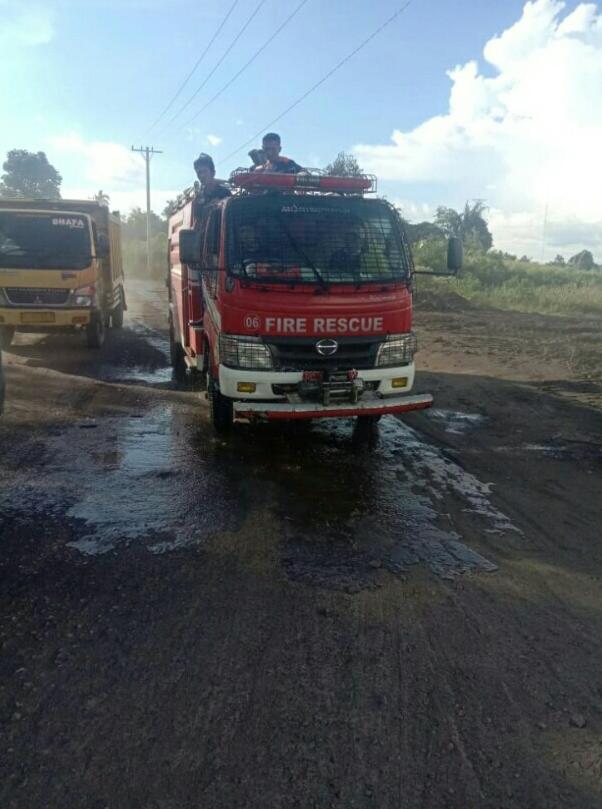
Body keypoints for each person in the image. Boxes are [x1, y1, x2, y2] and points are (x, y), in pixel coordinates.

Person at [192, 153, 231, 221]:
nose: (202, 175)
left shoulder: (225, 193)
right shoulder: (198, 200)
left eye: (205, 171)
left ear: (213, 173)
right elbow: (198, 224)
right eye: (199, 173)